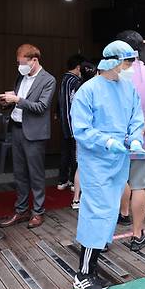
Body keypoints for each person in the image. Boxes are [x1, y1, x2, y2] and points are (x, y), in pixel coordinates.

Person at [70, 40, 145, 289]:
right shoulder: (88, 91)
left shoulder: (128, 88)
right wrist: (107, 141)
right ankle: (82, 273)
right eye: (127, 62)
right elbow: (80, 129)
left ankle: (93, 269)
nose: (130, 68)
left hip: (118, 161)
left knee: (110, 213)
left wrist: (134, 138)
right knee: (97, 213)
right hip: (96, 162)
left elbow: (136, 117)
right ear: (112, 61)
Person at [0, 44, 56, 229]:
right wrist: (7, 101)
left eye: (22, 63)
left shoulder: (48, 80)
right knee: (20, 173)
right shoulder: (21, 76)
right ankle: (21, 210)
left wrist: (17, 100)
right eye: (18, 63)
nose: (19, 67)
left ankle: (38, 212)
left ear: (34, 60)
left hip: (35, 133)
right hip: (16, 128)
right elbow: (19, 100)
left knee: (36, 174)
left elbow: (41, 107)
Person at [114, 30, 145, 251]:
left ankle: (120, 216)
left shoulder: (113, 75)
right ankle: (137, 234)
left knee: (118, 182)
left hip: (115, 142)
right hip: (144, 141)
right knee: (141, 185)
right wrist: (138, 133)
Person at [71, 61, 97, 210]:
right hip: (93, 133)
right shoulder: (93, 88)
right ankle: (87, 198)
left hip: (80, 132)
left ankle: (76, 199)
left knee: (81, 166)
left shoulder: (77, 87)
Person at [57, 54, 85, 191]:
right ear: (79, 67)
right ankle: (74, 181)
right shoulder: (75, 81)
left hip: (64, 122)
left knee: (65, 152)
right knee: (75, 154)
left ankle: (62, 180)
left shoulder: (64, 79)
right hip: (73, 123)